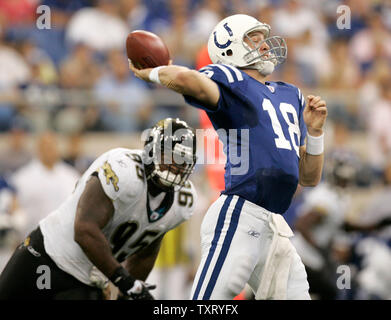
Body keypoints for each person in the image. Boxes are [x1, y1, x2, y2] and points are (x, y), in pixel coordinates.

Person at [129, 14, 328, 300]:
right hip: (241, 214)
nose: (263, 44)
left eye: (262, 38)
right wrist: (153, 71)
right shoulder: (231, 80)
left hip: (275, 226)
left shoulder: (288, 95)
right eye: (254, 38)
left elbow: (309, 178)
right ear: (230, 48)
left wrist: (316, 133)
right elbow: (190, 81)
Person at [0, 118, 197, 300]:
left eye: (182, 160)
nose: (175, 166)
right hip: (48, 253)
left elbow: (145, 251)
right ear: (151, 150)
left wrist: (128, 293)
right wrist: (123, 280)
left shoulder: (183, 201)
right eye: (169, 156)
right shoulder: (123, 168)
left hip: (87, 279)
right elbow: (85, 229)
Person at [11, 131, 80, 237]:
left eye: (52, 146)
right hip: (32, 238)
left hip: (65, 237)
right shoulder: (22, 178)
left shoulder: (71, 176)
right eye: (45, 146)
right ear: (38, 149)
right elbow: (14, 208)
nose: (49, 150)